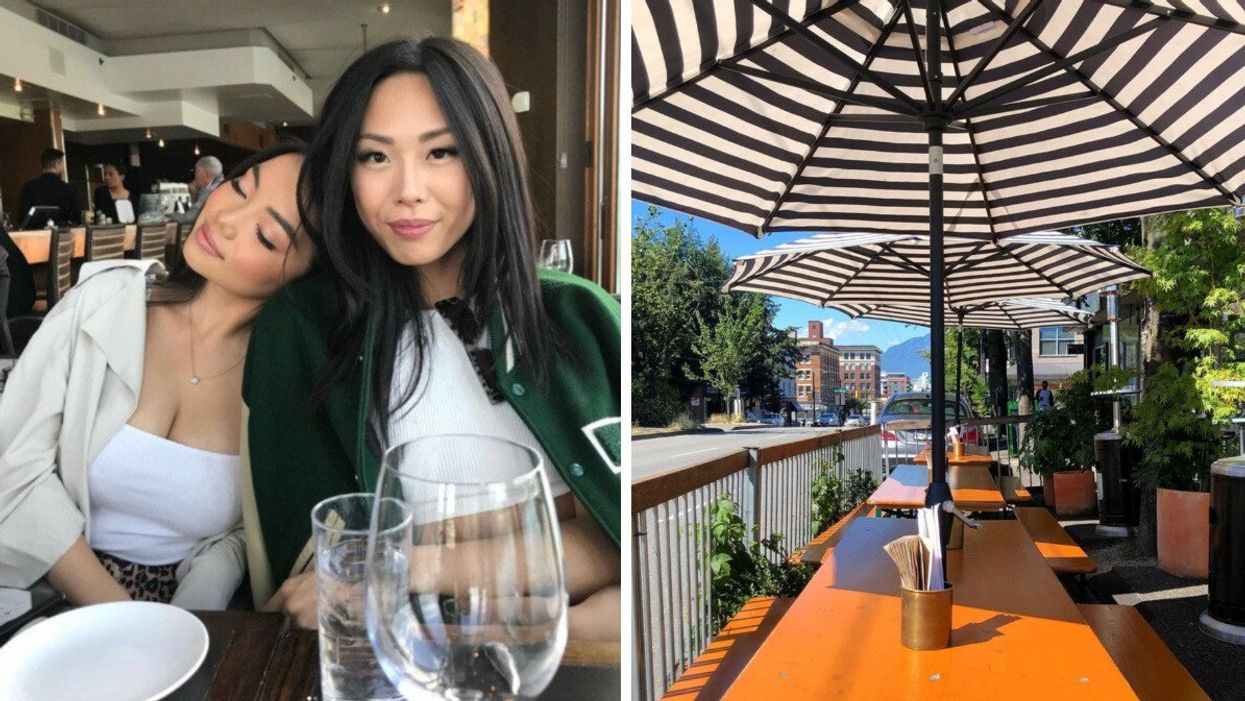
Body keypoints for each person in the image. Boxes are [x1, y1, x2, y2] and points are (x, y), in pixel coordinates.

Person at [242, 38, 621, 640]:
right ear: (345, 171)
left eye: (442, 151)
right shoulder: (305, 330)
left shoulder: (580, 316)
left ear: (489, 155)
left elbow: (619, 536)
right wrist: (545, 534)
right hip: (398, 665)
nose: (409, 190)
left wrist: (414, 559)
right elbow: (321, 576)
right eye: (374, 158)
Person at [0, 142, 315, 609]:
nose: (225, 218)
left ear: (306, 274)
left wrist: (192, 613)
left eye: (266, 235)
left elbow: (241, 534)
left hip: (193, 621)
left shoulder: (280, 379)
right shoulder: (102, 304)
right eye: (241, 188)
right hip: (43, 594)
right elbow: (14, 467)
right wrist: (129, 620)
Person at [18, 148, 80, 226]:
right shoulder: (69, 188)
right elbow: (77, 219)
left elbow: (23, 219)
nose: (63, 168)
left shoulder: (29, 187)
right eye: (62, 164)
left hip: (37, 235)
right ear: (57, 165)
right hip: (62, 235)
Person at [174, 156, 224, 225]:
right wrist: (194, 192)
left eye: (197, 172)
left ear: (207, 175)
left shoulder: (210, 191)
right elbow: (197, 209)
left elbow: (188, 218)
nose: (195, 176)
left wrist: (167, 213)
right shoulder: (222, 185)